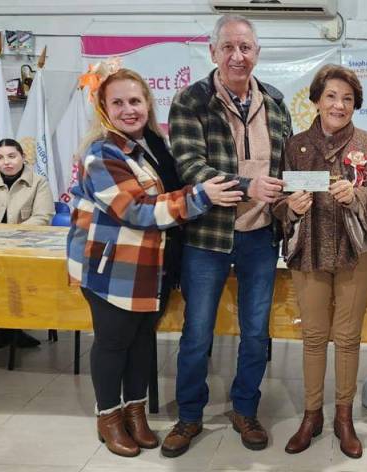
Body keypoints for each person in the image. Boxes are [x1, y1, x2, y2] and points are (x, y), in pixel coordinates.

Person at [66, 66, 242, 458]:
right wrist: (202, 196)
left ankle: (136, 413)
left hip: (152, 268)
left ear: (148, 103)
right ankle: (109, 417)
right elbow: (137, 210)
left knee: (142, 342)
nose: (128, 109)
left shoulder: (152, 143)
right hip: (114, 270)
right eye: (118, 103)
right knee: (113, 344)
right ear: (103, 108)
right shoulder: (101, 154)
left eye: (135, 100)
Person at [163, 14, 290, 457]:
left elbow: (286, 167)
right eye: (229, 47)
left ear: (257, 53)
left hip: (260, 236)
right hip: (207, 237)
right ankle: (189, 416)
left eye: (246, 47)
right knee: (197, 333)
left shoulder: (275, 102)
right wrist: (247, 186)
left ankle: (245, 410)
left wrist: (296, 195)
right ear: (213, 52)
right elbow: (189, 165)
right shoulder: (190, 100)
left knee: (255, 333)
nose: (238, 56)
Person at [272, 64, 367, 458]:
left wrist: (357, 196)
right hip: (309, 250)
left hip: (356, 253)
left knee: (347, 337)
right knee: (313, 337)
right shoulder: (295, 146)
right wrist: (290, 207)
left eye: (347, 99)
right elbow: (277, 200)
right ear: (316, 100)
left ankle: (343, 417)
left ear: (355, 104)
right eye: (330, 96)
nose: (339, 105)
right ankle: (311, 415)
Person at [0, 138, 56, 349]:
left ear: (23, 157)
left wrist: (9, 236)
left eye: (11, 156)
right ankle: (1, 328)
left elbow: (42, 218)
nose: (6, 162)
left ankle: (9, 329)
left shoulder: (39, 183)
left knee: (12, 276)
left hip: (24, 248)